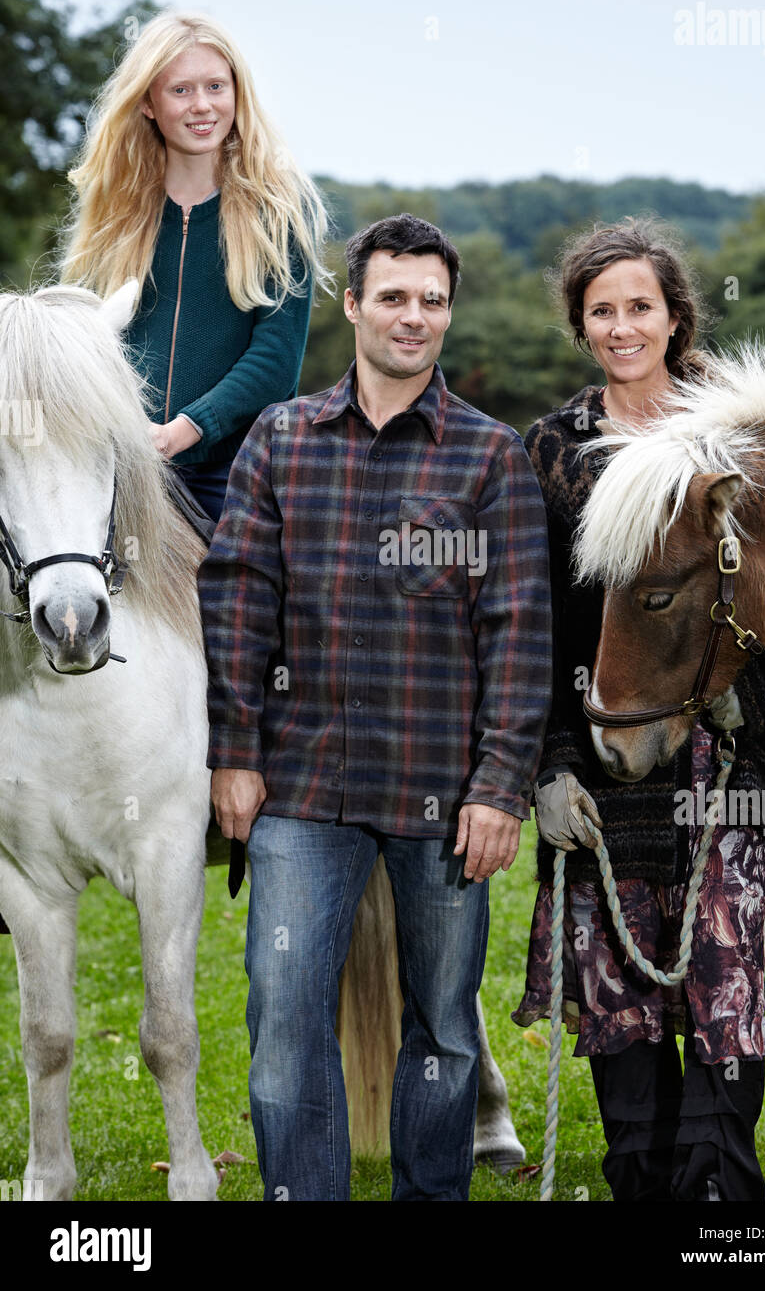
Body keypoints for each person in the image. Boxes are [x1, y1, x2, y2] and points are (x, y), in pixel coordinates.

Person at [196, 213, 552, 1201]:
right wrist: (232, 751)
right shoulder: (281, 439)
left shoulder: (489, 459)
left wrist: (499, 789)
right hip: (301, 788)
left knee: (440, 1021)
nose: (412, 316)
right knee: (283, 1013)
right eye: (391, 295)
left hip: (444, 795)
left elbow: (519, 633)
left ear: (448, 313)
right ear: (351, 305)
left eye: (431, 300)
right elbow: (236, 600)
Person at [512, 217, 765, 1202]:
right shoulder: (552, 452)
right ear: (580, 324)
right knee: (614, 976)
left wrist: (747, 707)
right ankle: (639, 1174)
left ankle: (718, 1183)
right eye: (599, 311)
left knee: (721, 964)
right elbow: (539, 627)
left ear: (675, 313)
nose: (619, 326)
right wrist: (550, 765)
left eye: (637, 306)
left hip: (727, 760)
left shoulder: (734, 439)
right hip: (602, 750)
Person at [61, 10, 329, 522]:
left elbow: (274, 360)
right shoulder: (116, 211)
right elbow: (85, 341)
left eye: (215, 86)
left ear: (237, 94)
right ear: (147, 103)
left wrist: (183, 430)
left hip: (234, 474)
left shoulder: (276, 211)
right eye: (180, 90)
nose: (202, 105)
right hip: (120, 464)